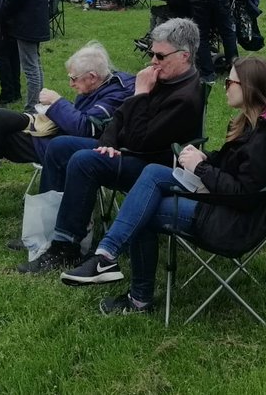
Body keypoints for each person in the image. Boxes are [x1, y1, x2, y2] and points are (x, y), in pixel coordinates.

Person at [59, 56, 266, 313]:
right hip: (220, 203)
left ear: (249, 87)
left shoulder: (263, 138)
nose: (225, 87)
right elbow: (233, 167)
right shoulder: (252, 123)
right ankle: (106, 256)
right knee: (154, 172)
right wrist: (203, 158)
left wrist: (200, 168)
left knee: (143, 209)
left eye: (230, 82)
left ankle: (136, 295)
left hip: (231, 222)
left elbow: (244, 195)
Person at [19, 18, 206, 273]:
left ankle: (67, 246)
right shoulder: (164, 77)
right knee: (61, 145)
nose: (152, 61)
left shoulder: (185, 97)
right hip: (128, 150)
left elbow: (142, 141)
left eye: (160, 56)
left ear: (184, 56)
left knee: (84, 161)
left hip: (155, 167)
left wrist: (139, 94)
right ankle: (47, 231)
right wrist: (107, 142)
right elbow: (119, 117)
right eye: (151, 53)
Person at [0, 41, 136, 220]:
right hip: (56, 132)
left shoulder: (115, 94)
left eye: (73, 78)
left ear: (92, 76)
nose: (71, 84)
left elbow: (86, 129)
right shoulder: (99, 83)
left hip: (69, 146)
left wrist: (57, 103)